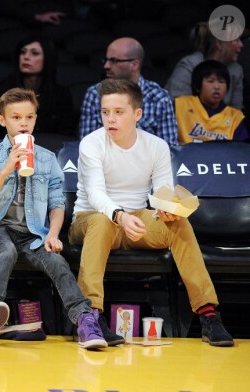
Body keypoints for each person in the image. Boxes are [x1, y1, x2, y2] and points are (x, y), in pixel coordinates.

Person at [68, 78, 234, 347]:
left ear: (137, 114)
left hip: (136, 218)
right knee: (100, 220)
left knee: (179, 225)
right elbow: (96, 195)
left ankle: (208, 314)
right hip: (91, 219)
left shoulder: (156, 146)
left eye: (118, 112)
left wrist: (167, 211)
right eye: (105, 112)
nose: (110, 118)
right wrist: (119, 215)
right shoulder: (91, 144)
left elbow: (163, 193)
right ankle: (90, 317)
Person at [0, 87, 107, 348]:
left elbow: (57, 203)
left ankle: (85, 321)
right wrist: (6, 170)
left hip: (33, 232)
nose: (23, 123)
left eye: (29, 117)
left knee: (57, 262)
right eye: (16, 117)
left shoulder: (46, 158)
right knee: (7, 251)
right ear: (3, 120)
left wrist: (53, 234)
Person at [78, 37, 178, 146]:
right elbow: (87, 146)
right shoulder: (95, 94)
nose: (106, 66)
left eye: (113, 61)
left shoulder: (159, 98)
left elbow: (169, 150)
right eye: (106, 60)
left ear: (134, 64)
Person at [0, 33, 75, 139]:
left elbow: (66, 136)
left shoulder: (61, 95)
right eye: (23, 52)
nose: (26, 57)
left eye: (34, 53)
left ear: (48, 58)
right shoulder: (2, 90)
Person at [165, 22, 244, 109]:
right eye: (236, 40)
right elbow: (175, 105)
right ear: (220, 44)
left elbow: (236, 110)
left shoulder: (236, 70)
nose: (241, 45)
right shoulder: (190, 64)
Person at [176, 60, 248, 143]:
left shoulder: (235, 117)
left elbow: (241, 149)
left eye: (221, 82)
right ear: (197, 86)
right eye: (210, 81)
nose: (217, 87)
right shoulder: (180, 105)